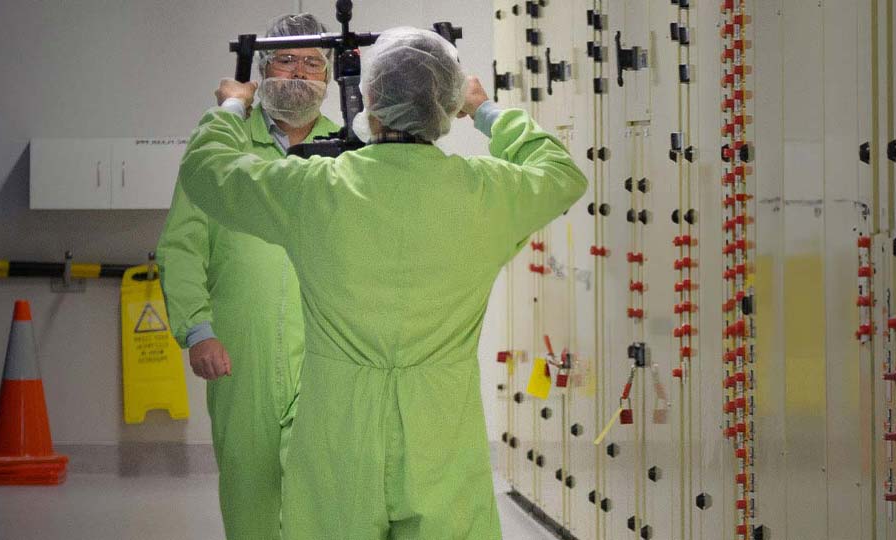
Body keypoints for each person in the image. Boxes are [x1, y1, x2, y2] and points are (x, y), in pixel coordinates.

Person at [177, 26, 587, 540]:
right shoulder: (485, 192)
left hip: (337, 434)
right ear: (446, 103)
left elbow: (205, 171)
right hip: (441, 430)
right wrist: (485, 110)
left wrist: (232, 108)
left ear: (368, 102)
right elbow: (563, 173)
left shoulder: (318, 190)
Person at [154, 12, 339, 540]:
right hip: (242, 348)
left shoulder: (348, 150)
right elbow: (182, 245)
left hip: (328, 347)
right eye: (286, 60)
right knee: (250, 489)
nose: (300, 73)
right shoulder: (222, 148)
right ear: (261, 71)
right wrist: (198, 328)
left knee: (323, 489)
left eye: (313, 63)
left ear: (328, 78)